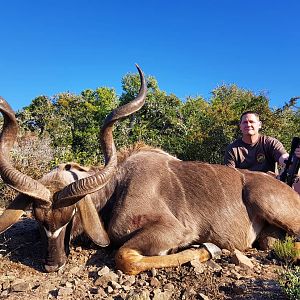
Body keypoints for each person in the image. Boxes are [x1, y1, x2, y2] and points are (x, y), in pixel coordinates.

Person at [224, 111, 300, 193]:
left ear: (259, 125)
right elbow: (229, 177)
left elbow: (284, 158)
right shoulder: (232, 149)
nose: (248, 125)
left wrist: (294, 158)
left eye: (251, 122)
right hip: (244, 191)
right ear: (240, 126)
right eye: (245, 122)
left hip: (270, 188)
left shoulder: (270, 142)